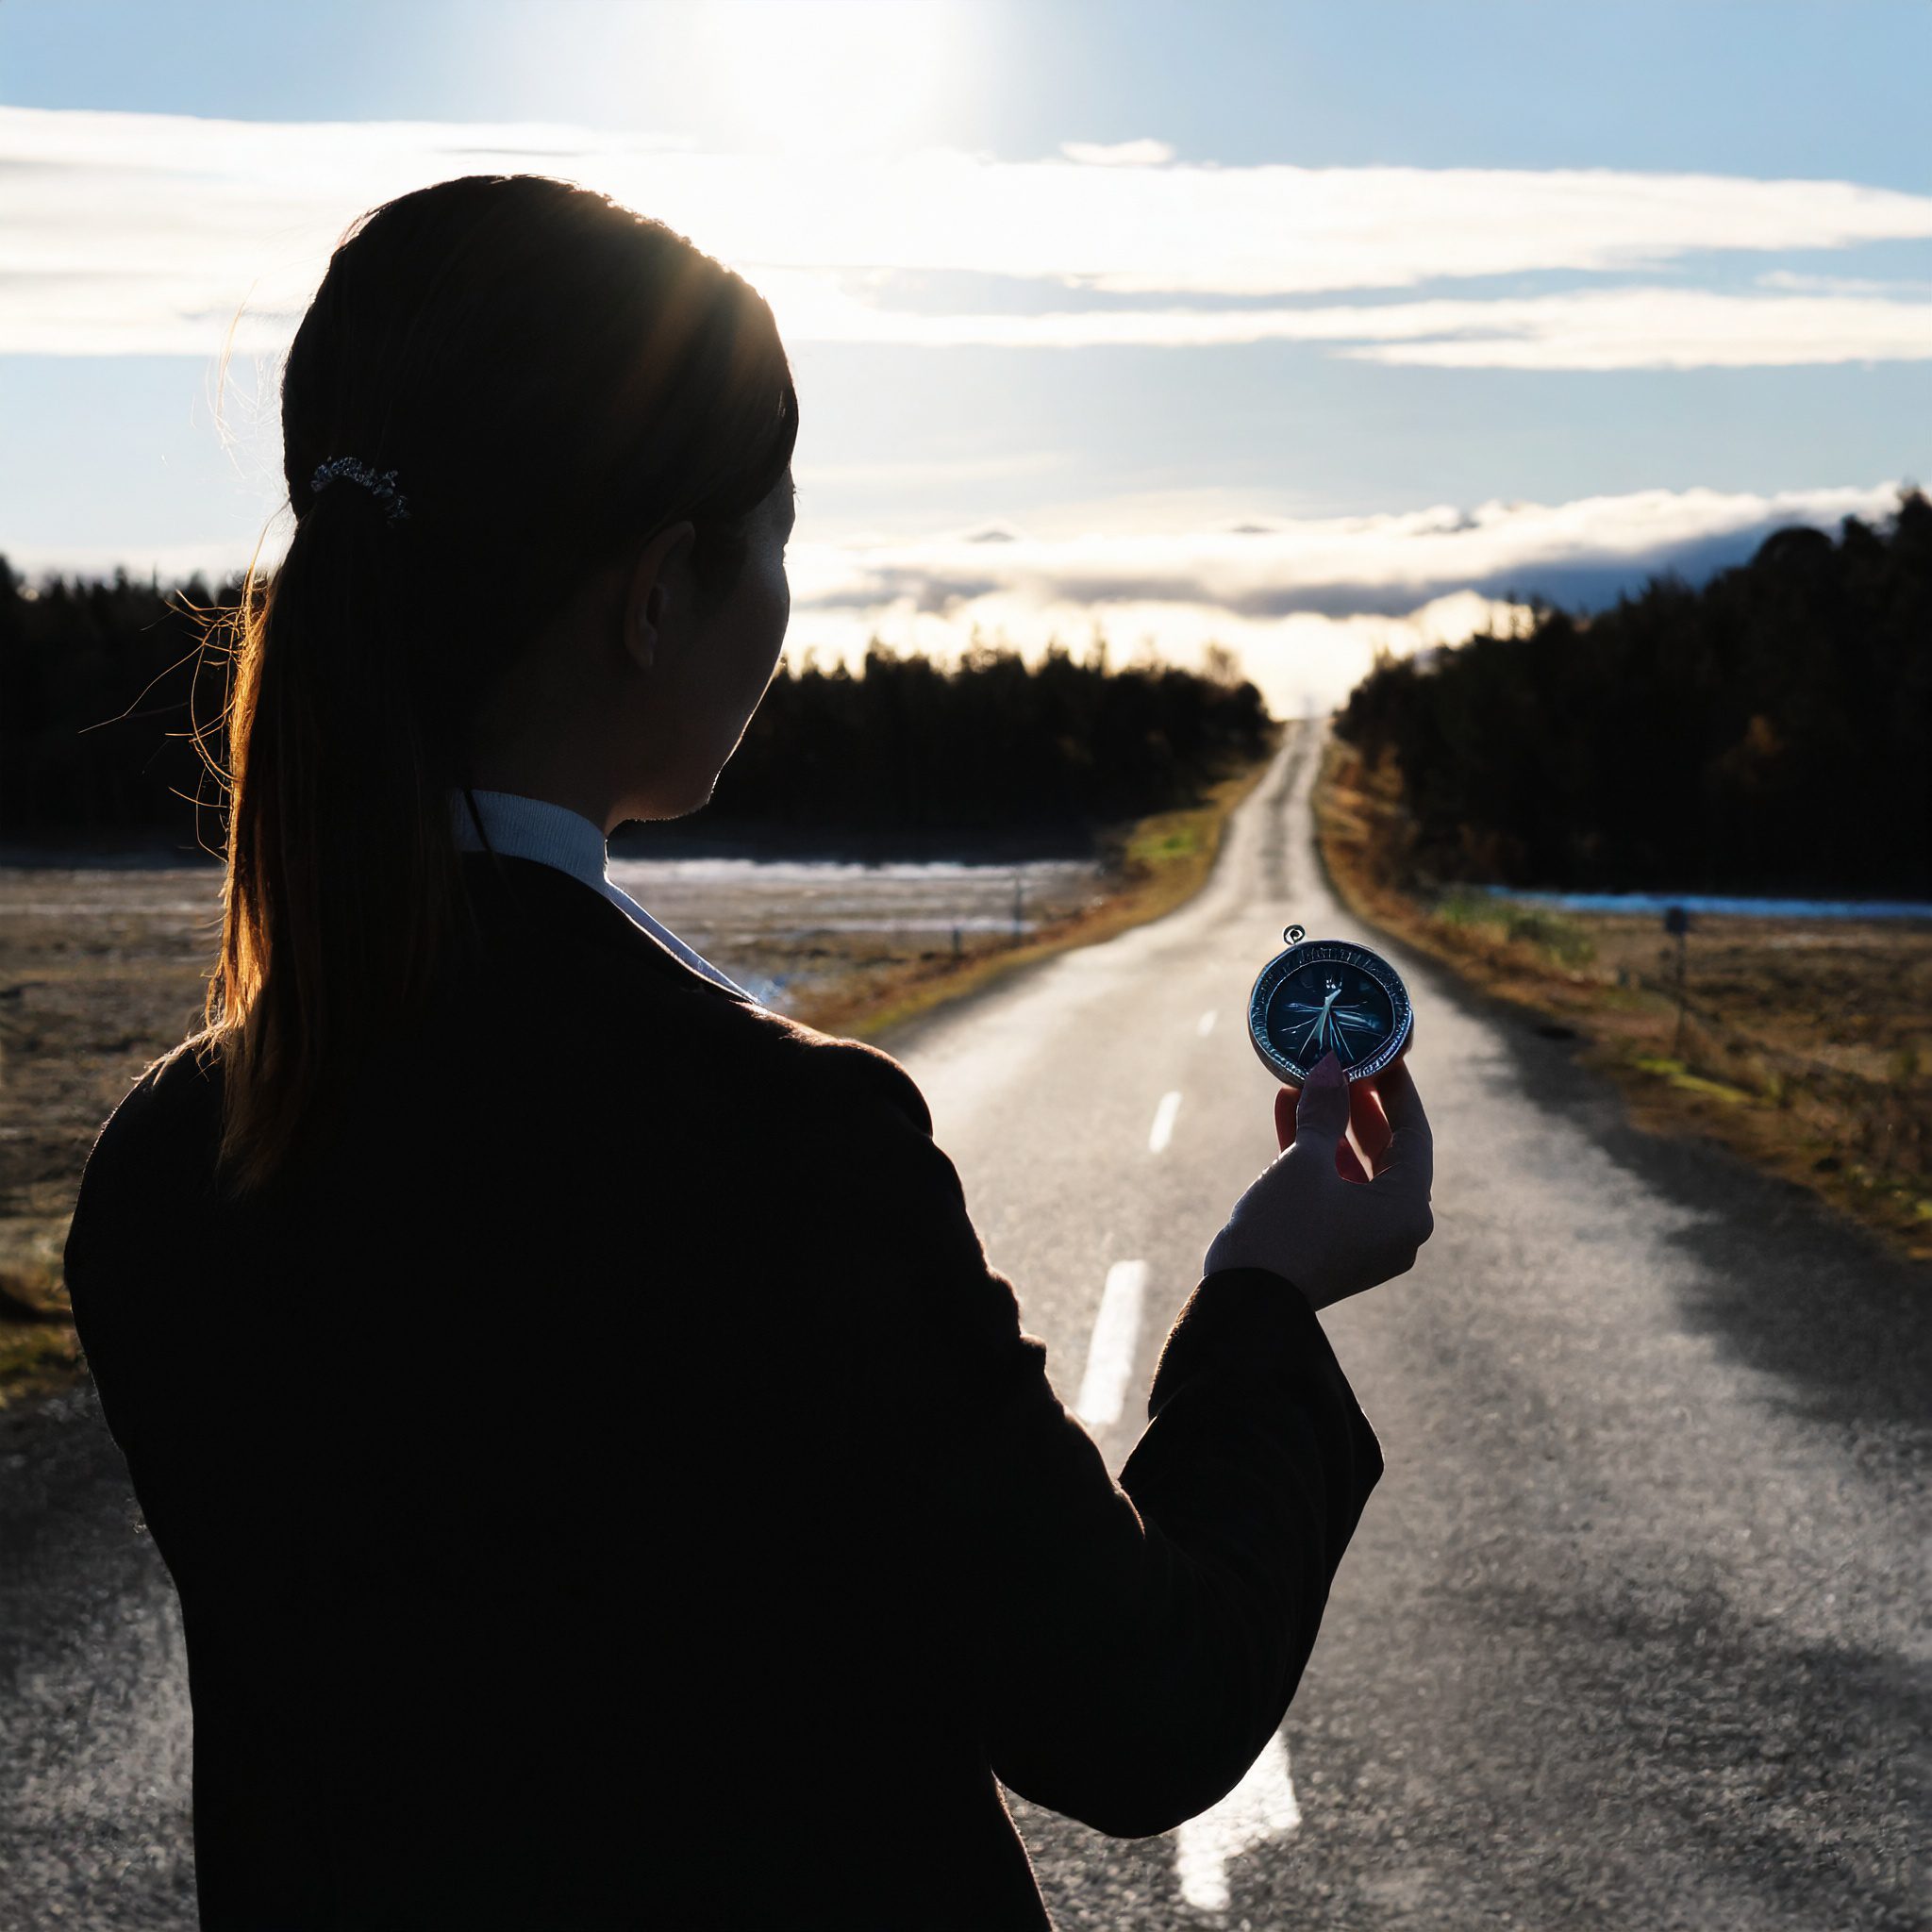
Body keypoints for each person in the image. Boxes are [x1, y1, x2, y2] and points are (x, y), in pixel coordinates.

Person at [61, 175, 1434, 1931]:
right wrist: (1263, 1296)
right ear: (654, 598)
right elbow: (1137, 1708)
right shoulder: (782, 1152)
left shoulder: (168, 1169)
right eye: (779, 535)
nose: (786, 600)